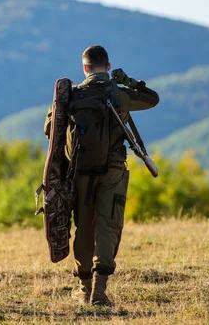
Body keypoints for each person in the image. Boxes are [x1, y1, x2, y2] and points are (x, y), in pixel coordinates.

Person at [44, 45, 159, 306]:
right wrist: (127, 80)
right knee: (108, 225)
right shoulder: (121, 94)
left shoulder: (72, 95)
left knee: (83, 226)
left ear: (84, 68)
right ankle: (100, 289)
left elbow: (50, 129)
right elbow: (152, 98)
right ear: (108, 67)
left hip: (80, 172)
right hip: (113, 170)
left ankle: (84, 288)